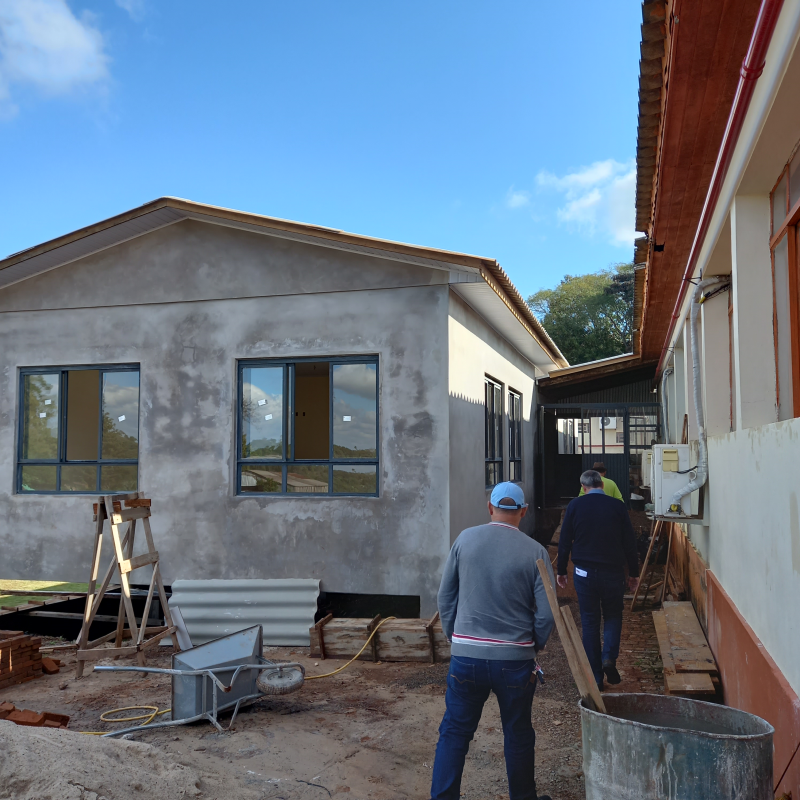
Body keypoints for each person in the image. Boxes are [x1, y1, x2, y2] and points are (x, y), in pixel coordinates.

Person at [430, 482, 555, 800]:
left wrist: (453, 636)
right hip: (515, 661)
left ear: (490, 508)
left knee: (455, 732)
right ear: (524, 512)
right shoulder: (535, 552)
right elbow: (547, 613)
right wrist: (533, 646)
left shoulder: (465, 540)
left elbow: (446, 596)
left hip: (466, 657)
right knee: (518, 732)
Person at [557, 470, 639, 691]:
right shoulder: (618, 507)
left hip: (584, 573)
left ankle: (595, 676)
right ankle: (609, 657)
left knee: (590, 622)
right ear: (602, 484)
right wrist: (634, 573)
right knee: (613, 615)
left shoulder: (575, 506)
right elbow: (630, 543)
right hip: (613, 572)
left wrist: (562, 569)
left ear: (583, 487)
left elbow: (564, 541)